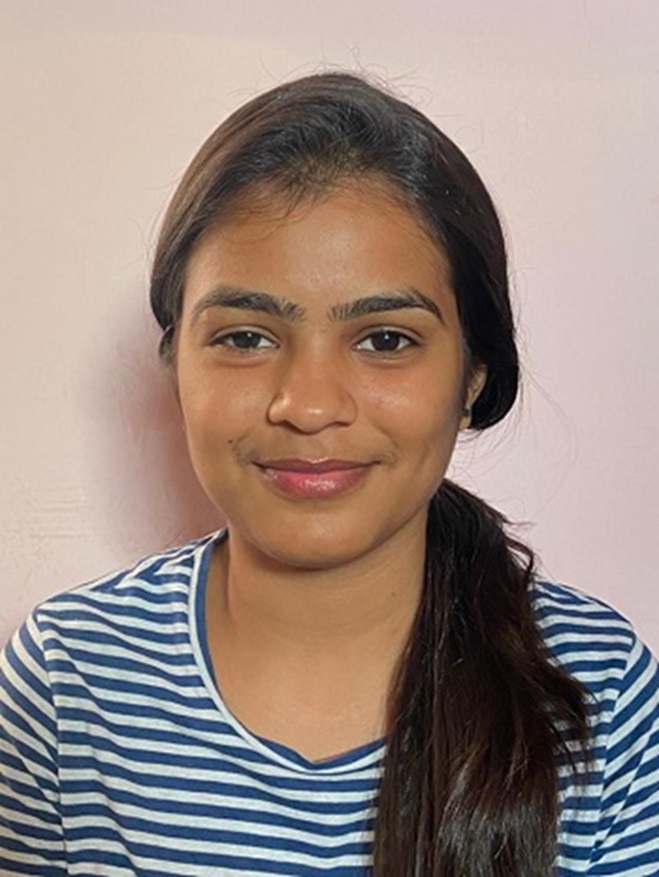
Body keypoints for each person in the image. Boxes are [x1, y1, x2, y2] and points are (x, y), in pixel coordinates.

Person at [1, 72, 657, 877]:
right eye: (245, 337)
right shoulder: (68, 677)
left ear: (472, 377)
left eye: (385, 339)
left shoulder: (595, 690)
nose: (308, 406)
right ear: (175, 364)